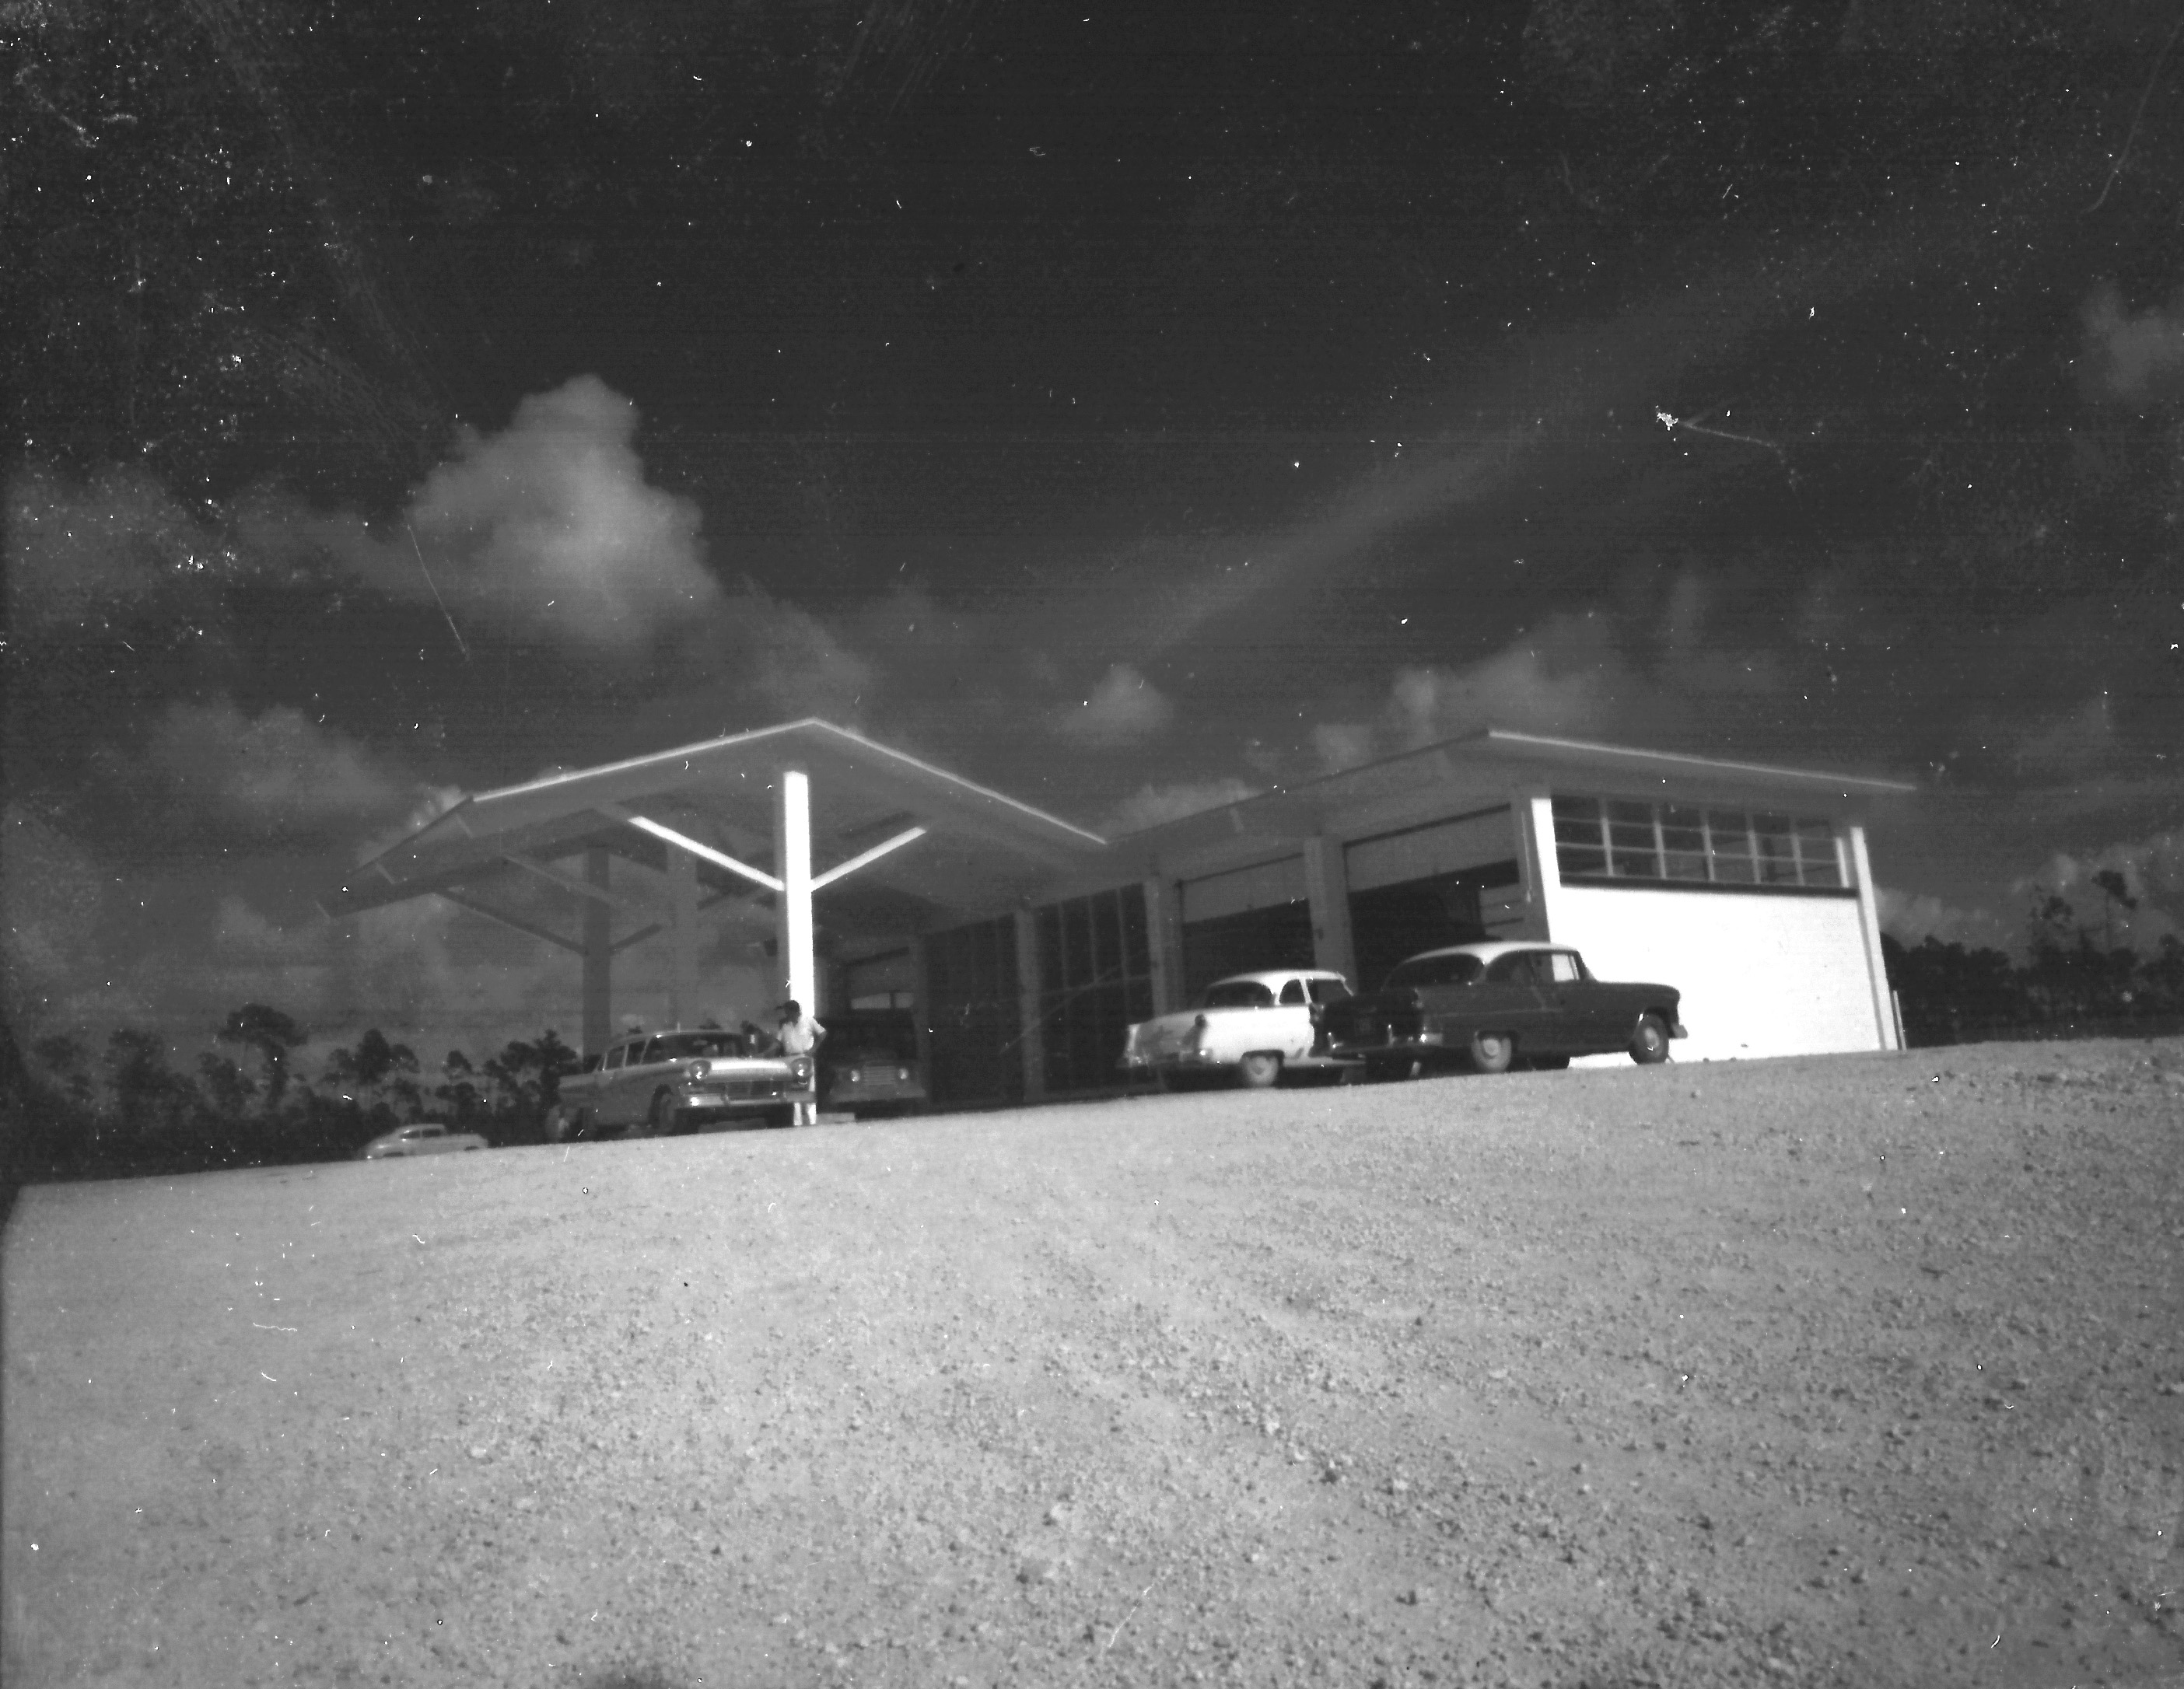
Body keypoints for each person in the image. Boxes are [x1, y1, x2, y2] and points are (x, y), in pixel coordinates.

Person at [775, 999, 825, 1125]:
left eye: (787, 1011)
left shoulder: (808, 1021)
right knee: (794, 1090)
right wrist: (765, 1054)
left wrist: (814, 1049)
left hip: (805, 1058)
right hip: (790, 1059)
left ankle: (812, 1120)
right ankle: (797, 1122)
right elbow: (777, 1042)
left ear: (794, 1011)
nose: (786, 1014)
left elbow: (823, 1033)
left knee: (809, 1088)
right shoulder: (786, 1026)